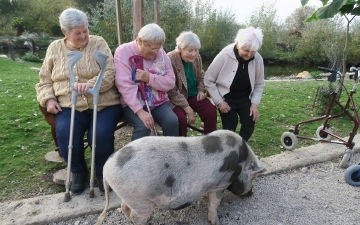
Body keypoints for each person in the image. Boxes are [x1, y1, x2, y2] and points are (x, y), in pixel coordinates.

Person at [35, 8, 122, 195]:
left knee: (99, 136)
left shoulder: (98, 42)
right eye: (78, 33)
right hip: (69, 104)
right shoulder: (54, 48)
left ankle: (103, 171)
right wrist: (49, 99)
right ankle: (77, 170)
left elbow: (109, 71)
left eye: (85, 31)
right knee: (66, 133)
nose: (84, 36)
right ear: (64, 32)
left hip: (104, 103)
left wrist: (89, 85)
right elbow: (44, 79)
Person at [114, 23, 178, 141]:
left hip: (158, 102)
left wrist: (149, 78)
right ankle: (134, 158)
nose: (156, 52)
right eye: (152, 48)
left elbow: (170, 82)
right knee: (143, 126)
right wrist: (140, 111)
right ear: (139, 41)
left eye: (159, 48)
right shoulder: (123, 51)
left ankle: (169, 156)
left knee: (172, 121)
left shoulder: (161, 53)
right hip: (133, 103)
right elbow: (124, 85)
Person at [204, 27, 265, 142]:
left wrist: (254, 104)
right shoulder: (225, 54)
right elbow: (209, 79)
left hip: (244, 97)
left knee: (250, 119)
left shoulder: (258, 59)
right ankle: (228, 149)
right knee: (231, 122)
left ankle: (241, 146)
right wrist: (219, 101)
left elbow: (259, 84)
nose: (249, 54)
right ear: (237, 44)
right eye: (246, 50)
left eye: (253, 51)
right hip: (226, 97)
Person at [167, 31, 217, 136]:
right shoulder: (170, 59)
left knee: (210, 111)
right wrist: (186, 107)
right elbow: (170, 89)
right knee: (180, 119)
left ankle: (211, 142)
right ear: (180, 48)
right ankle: (181, 145)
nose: (194, 54)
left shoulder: (196, 58)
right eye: (190, 50)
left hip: (193, 94)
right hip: (176, 97)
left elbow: (202, 74)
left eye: (196, 50)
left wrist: (200, 89)